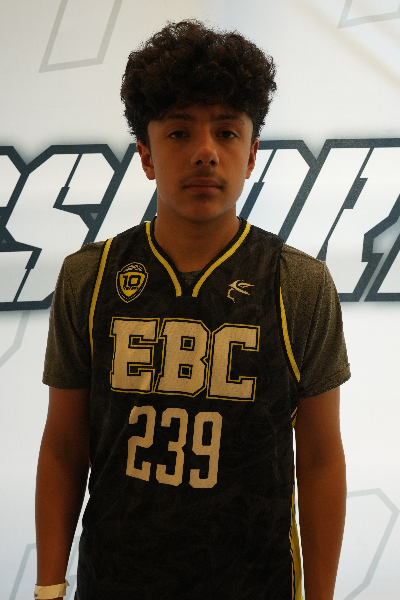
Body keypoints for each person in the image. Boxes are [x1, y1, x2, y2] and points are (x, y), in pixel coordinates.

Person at [35, 20, 349, 600]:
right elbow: (63, 446)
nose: (205, 152)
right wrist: (49, 587)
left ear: (251, 155)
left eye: (226, 132)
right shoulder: (89, 277)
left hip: (255, 584)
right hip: (116, 582)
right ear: (147, 155)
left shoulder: (299, 283)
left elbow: (322, 459)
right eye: (179, 132)